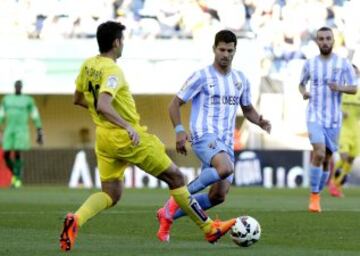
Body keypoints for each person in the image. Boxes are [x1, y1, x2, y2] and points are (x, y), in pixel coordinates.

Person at [59, 21, 236, 252]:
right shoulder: (113, 70)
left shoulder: (88, 65)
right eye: (122, 40)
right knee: (176, 179)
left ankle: (77, 219)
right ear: (116, 42)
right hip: (128, 137)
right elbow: (103, 104)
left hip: (103, 138)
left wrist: (104, 116)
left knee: (110, 193)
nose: (123, 44)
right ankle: (209, 229)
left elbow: (79, 99)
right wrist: (125, 125)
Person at [156, 29, 271, 242]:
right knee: (225, 168)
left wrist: (260, 121)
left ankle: (167, 214)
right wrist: (179, 130)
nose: (225, 54)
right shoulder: (201, 76)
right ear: (214, 49)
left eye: (230, 50)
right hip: (203, 136)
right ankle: (173, 201)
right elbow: (175, 103)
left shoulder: (241, 79)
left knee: (217, 196)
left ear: (235, 51)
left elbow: (247, 109)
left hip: (225, 142)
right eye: (222, 49)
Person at [299, 27, 357, 213]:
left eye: (328, 38)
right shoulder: (310, 64)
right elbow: (301, 84)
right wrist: (304, 92)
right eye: (321, 39)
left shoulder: (343, 64)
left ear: (333, 41)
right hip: (314, 115)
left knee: (327, 160)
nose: (324, 42)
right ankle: (314, 197)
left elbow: (354, 88)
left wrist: (339, 87)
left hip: (334, 120)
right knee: (319, 153)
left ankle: (319, 189)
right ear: (317, 41)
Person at [0, 80, 43, 188]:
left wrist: (39, 130)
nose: (18, 87)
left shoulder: (28, 100)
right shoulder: (6, 99)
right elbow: (1, 114)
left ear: (22, 87)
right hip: (9, 129)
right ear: (14, 87)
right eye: (17, 86)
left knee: (17, 152)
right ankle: (15, 174)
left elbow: (35, 115)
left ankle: (17, 179)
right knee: (6, 154)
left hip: (21, 129)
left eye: (20, 86)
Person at [328, 64, 360, 197]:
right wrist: (341, 112)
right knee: (344, 156)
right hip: (344, 129)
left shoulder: (358, 90)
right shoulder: (340, 90)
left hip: (356, 129)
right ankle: (333, 183)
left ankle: (337, 184)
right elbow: (331, 108)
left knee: (351, 159)